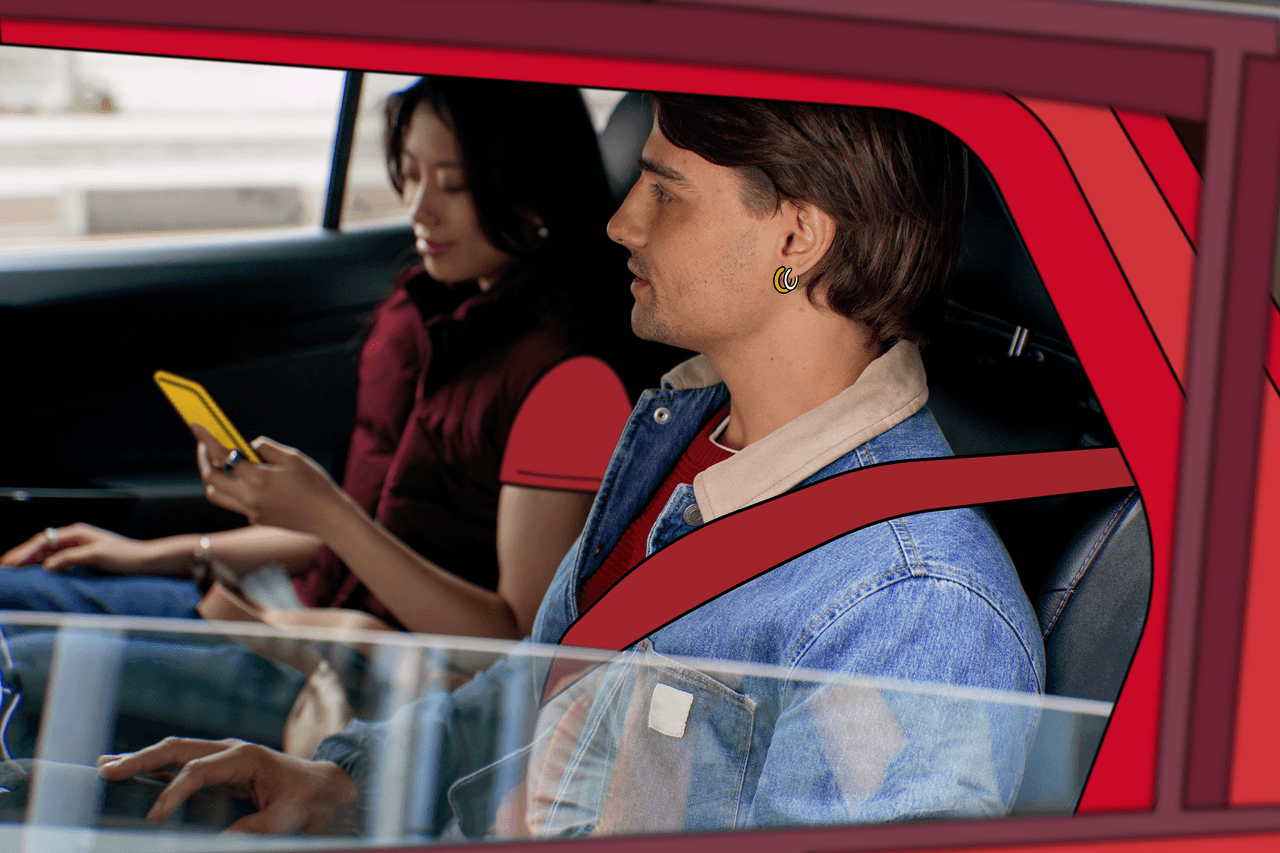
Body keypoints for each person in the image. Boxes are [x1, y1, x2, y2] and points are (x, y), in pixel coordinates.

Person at [91, 91, 1045, 837]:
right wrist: (344, 780)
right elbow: (547, 687)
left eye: (666, 191)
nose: (624, 221)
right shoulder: (682, 429)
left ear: (796, 237)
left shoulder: (915, 610)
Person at [0, 76, 668, 642]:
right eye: (409, 174)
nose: (418, 208)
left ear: (532, 188)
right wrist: (153, 555)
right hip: (290, 613)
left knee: (20, 640)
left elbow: (513, 637)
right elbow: (364, 536)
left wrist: (329, 514)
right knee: (21, 592)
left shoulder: (568, 382)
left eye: (453, 184)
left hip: (350, 673)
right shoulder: (435, 320)